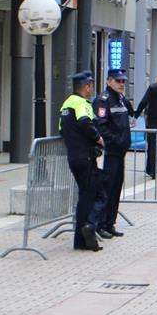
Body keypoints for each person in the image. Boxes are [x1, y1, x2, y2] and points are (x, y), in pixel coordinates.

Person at [59, 70, 104, 252]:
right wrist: (98, 138)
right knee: (98, 195)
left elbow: (62, 130)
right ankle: (89, 227)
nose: (92, 89)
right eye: (90, 86)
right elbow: (86, 123)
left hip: (74, 157)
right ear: (86, 87)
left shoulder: (66, 104)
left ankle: (80, 240)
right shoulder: (81, 104)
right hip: (86, 157)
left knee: (84, 197)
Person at [92, 68, 131, 239]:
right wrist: (115, 140)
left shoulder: (121, 100)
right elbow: (101, 126)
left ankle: (110, 223)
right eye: (118, 81)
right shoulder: (103, 100)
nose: (121, 84)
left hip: (119, 152)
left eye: (123, 81)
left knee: (115, 189)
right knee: (107, 189)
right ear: (109, 81)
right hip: (111, 152)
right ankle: (101, 225)